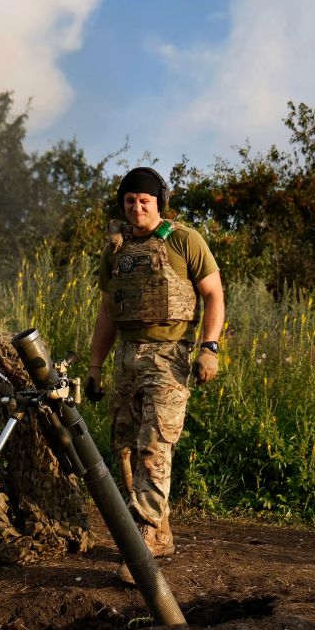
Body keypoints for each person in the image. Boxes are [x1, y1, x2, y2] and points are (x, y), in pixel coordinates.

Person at [84, 167, 225, 582]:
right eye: (130, 200)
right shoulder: (115, 250)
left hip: (170, 355)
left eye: (145, 200)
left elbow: (214, 294)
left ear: (159, 202)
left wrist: (209, 347)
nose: (137, 207)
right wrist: (95, 364)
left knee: (154, 444)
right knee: (125, 446)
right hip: (127, 354)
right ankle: (160, 531)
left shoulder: (184, 240)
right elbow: (108, 311)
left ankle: (144, 538)